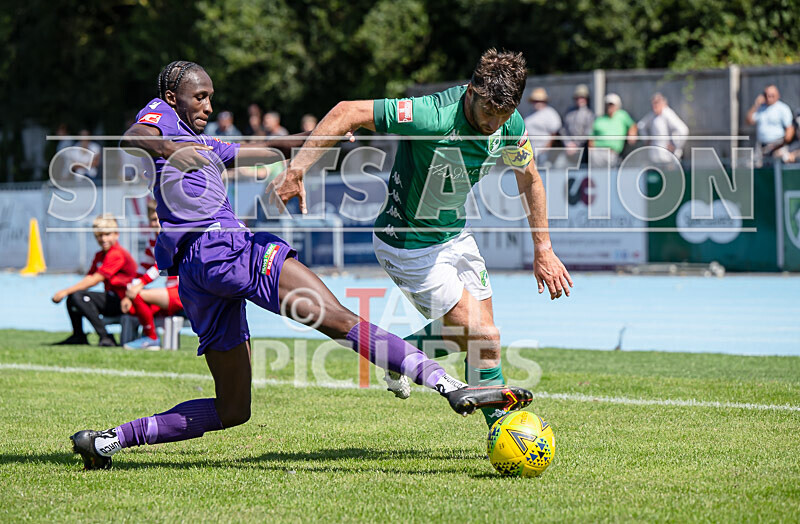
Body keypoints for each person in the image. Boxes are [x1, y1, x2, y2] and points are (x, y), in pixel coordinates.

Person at [70, 60, 532, 470]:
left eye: (211, 97)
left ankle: (108, 440)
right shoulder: (163, 117)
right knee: (340, 319)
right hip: (225, 249)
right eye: (200, 96)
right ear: (173, 97)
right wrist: (173, 150)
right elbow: (134, 137)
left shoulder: (206, 144)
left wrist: (316, 142)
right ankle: (447, 384)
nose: (208, 105)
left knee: (234, 410)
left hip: (197, 276)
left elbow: (263, 147)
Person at [271, 49, 571, 428]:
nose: (494, 123)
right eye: (488, 112)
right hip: (408, 245)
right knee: (484, 335)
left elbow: (529, 180)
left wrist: (544, 249)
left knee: (477, 340)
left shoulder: (509, 124)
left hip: (455, 235)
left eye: (504, 114)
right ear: (472, 92)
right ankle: (504, 432)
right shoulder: (431, 115)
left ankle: (401, 356)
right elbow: (348, 111)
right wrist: (297, 169)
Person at [51, 215, 156, 347]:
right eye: (99, 236)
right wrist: (69, 293)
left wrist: (65, 291)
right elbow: (89, 278)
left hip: (125, 300)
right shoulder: (100, 255)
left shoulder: (117, 254)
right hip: (111, 298)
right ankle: (78, 335)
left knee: (77, 296)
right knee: (73, 298)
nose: (103, 239)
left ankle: (106, 337)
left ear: (116, 234)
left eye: (107, 234)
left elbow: (96, 279)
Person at [121, 200, 184, 350]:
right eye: (152, 220)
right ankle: (146, 336)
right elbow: (143, 267)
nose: (156, 223)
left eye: (158, 219)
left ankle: (151, 338)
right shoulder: (153, 238)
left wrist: (139, 286)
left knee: (138, 295)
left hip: (182, 291)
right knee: (133, 305)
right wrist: (130, 289)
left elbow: (160, 266)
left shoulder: (171, 237)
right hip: (170, 292)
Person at [636, 93, 689, 165]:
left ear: (663, 103)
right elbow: (641, 126)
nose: (655, 106)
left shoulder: (668, 114)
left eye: (657, 103)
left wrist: (675, 145)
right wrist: (646, 139)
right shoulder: (652, 115)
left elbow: (683, 130)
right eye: (654, 103)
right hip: (655, 157)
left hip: (669, 158)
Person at [746, 85, 794, 164]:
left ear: (777, 95)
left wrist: (781, 145)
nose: (769, 98)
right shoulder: (760, 108)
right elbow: (749, 121)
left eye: (772, 96)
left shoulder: (782, 108)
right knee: (755, 166)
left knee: (777, 165)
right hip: (762, 146)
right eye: (767, 95)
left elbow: (790, 129)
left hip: (777, 145)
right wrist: (756, 105)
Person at [589, 93, 637, 167]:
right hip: (597, 153)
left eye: (612, 105)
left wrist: (632, 134)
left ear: (617, 106)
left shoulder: (622, 115)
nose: (610, 107)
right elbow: (591, 136)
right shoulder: (600, 119)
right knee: (596, 173)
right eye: (608, 105)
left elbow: (632, 125)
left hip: (612, 153)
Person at [523, 87, 562, 167]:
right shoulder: (529, 114)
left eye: (539, 101)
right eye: (535, 101)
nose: (537, 103)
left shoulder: (550, 113)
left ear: (544, 101)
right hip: (529, 151)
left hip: (544, 151)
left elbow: (554, 134)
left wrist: (546, 148)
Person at [557, 84, 594, 166]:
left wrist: (576, 145)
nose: (580, 100)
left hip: (582, 149)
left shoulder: (589, 114)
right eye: (578, 97)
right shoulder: (569, 112)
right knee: (559, 165)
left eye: (582, 97)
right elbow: (563, 130)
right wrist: (568, 143)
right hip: (567, 148)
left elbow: (587, 133)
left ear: (586, 99)